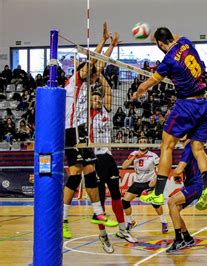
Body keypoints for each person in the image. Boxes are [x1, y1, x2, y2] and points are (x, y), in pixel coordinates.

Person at [132, 27, 207, 211]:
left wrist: (138, 92)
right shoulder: (185, 42)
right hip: (204, 103)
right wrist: (161, 35)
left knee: (167, 145)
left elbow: (149, 83)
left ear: (160, 44)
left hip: (186, 105)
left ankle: (158, 193)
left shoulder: (168, 61)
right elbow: (174, 37)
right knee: (198, 148)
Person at [62, 23, 118, 247]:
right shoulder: (76, 81)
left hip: (82, 131)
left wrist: (111, 47)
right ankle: (63, 219)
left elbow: (99, 66)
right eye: (91, 73)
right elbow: (93, 63)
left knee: (90, 172)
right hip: (71, 130)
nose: (94, 76)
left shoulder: (88, 83)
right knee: (75, 173)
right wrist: (103, 41)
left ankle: (97, 212)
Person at [89, 34, 138, 252]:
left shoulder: (106, 109)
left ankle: (121, 228)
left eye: (99, 98)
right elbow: (94, 66)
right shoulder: (86, 116)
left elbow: (108, 90)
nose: (97, 100)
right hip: (93, 158)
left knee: (116, 195)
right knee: (99, 201)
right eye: (95, 99)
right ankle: (102, 235)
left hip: (108, 157)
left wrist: (112, 47)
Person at [122, 137, 168, 234]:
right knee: (125, 201)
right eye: (140, 142)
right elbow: (124, 166)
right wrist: (134, 157)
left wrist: (155, 180)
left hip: (149, 182)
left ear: (147, 144)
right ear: (137, 144)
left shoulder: (153, 156)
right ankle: (130, 222)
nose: (142, 143)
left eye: (144, 142)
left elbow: (160, 169)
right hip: (138, 182)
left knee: (155, 204)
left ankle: (164, 222)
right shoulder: (133, 154)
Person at [166, 138, 205, 252]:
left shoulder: (189, 147)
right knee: (174, 210)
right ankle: (187, 238)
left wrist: (175, 173)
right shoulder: (191, 146)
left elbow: (178, 170)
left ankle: (179, 240)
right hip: (191, 184)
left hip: (196, 185)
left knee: (171, 201)